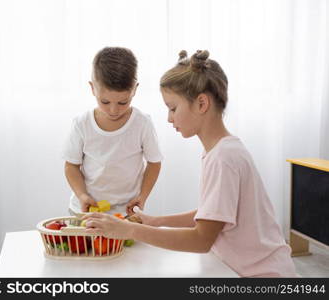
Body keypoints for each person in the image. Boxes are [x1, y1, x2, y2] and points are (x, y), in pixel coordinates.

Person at [81, 50, 297, 277]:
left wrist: (131, 230)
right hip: (245, 269)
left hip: (263, 276)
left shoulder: (223, 158)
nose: (169, 118)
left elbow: (201, 239)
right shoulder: (222, 150)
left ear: (202, 103)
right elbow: (214, 214)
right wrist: (156, 221)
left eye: (173, 108)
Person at [62, 47, 162, 215]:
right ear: (92, 88)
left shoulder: (142, 123)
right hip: (86, 211)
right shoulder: (82, 124)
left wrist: (142, 197)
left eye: (123, 102)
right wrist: (82, 195)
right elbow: (71, 165)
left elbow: (154, 163)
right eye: (105, 102)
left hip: (126, 212)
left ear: (135, 90)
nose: (114, 110)